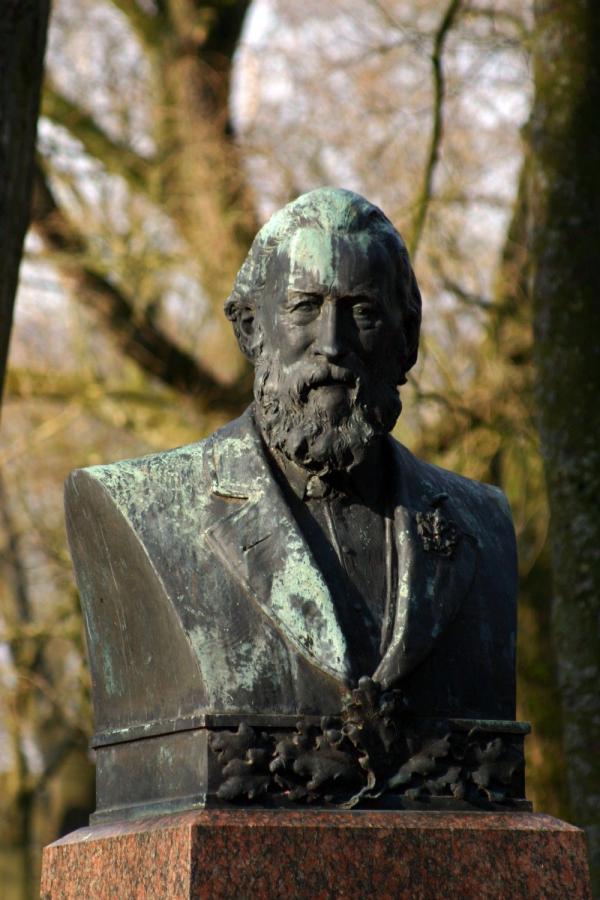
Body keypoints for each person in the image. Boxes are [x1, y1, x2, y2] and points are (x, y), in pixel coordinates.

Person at [66, 188, 517, 751]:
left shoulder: (482, 525)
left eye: (362, 311)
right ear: (251, 328)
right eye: (305, 307)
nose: (332, 344)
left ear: (407, 339)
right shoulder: (141, 507)